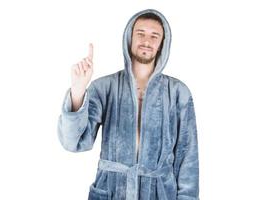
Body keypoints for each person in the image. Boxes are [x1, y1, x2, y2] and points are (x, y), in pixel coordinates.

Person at [57, 9, 199, 200]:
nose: (146, 41)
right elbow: (74, 142)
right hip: (111, 191)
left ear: (162, 44)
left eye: (154, 36)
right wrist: (78, 91)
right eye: (140, 33)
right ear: (129, 38)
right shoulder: (104, 87)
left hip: (160, 193)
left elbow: (188, 158)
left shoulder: (178, 93)